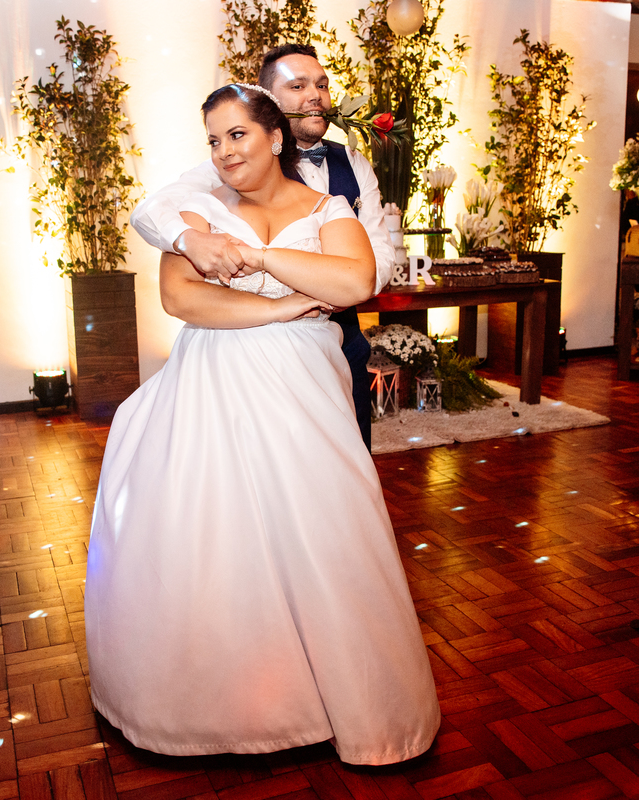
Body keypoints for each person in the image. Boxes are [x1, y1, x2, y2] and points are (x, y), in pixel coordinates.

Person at [85, 85, 440, 765]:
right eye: (213, 140)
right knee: (216, 530)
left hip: (307, 389)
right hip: (212, 379)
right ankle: (224, 703)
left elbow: (354, 283)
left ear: (275, 138)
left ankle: (345, 698)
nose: (223, 151)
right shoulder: (198, 210)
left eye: (237, 134)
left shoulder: (328, 209)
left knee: (325, 526)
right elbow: (180, 297)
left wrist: (264, 259)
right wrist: (281, 307)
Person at [131, 43, 394, 451]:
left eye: (322, 85)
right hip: (221, 372)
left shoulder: (352, 166)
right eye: (298, 86)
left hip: (329, 349)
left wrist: (330, 294)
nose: (315, 96)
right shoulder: (216, 176)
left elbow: (374, 259)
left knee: (342, 453)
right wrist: (189, 239)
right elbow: (155, 222)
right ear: (273, 104)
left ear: (273, 137)